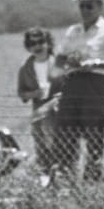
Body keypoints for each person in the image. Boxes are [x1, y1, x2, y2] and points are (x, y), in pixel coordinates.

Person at [54, 0, 104, 182]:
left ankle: (92, 181)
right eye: (82, 6)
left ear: (100, 7)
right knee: (66, 131)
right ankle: (65, 178)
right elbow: (59, 59)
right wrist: (72, 60)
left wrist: (95, 63)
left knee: (94, 134)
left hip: (96, 83)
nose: (85, 11)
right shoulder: (73, 31)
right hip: (73, 82)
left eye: (89, 6)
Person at [16, 27, 62, 185]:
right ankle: (45, 179)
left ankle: (61, 179)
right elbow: (22, 93)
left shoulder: (58, 63)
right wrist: (35, 93)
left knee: (59, 145)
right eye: (32, 43)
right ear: (28, 47)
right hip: (38, 111)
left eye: (41, 42)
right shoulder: (26, 68)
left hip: (59, 109)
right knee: (41, 146)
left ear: (48, 43)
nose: (37, 46)